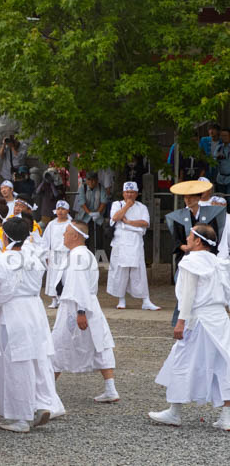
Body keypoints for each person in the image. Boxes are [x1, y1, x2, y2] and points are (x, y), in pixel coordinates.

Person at [149, 224, 230, 430]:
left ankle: (174, 412)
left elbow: (188, 295)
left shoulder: (191, 262)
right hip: (219, 319)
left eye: (191, 235)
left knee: (182, 360)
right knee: (223, 364)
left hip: (199, 319)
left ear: (198, 241)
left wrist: (181, 321)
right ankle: (227, 416)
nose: (187, 237)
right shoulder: (218, 262)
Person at [0, 218, 63, 433]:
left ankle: (21, 416)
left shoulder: (1, 260)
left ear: (5, 236)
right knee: (37, 359)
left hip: (13, 312)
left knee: (16, 364)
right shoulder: (35, 257)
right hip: (35, 310)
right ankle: (42, 402)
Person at [52, 220, 119, 403]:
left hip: (77, 306)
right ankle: (110, 389)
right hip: (86, 304)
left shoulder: (79, 256)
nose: (63, 235)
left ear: (75, 235)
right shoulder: (81, 254)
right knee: (100, 343)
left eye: (66, 232)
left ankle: (47, 392)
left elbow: (79, 284)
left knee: (59, 344)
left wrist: (81, 311)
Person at [107, 181, 160, 310]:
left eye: (132, 192)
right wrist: (127, 206)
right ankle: (121, 299)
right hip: (120, 242)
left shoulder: (142, 207)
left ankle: (145, 300)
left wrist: (128, 222)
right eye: (127, 192)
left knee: (139, 271)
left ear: (136, 193)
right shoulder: (117, 204)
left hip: (135, 241)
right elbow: (115, 217)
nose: (129, 195)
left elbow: (145, 223)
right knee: (120, 272)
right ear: (123, 193)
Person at [42, 200, 72, 308]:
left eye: (63, 209)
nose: (60, 211)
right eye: (58, 209)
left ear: (67, 210)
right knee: (53, 277)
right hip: (54, 254)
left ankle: (63, 299)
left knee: (64, 277)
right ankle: (54, 299)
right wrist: (45, 254)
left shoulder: (70, 224)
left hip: (66, 254)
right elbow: (45, 240)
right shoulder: (51, 224)